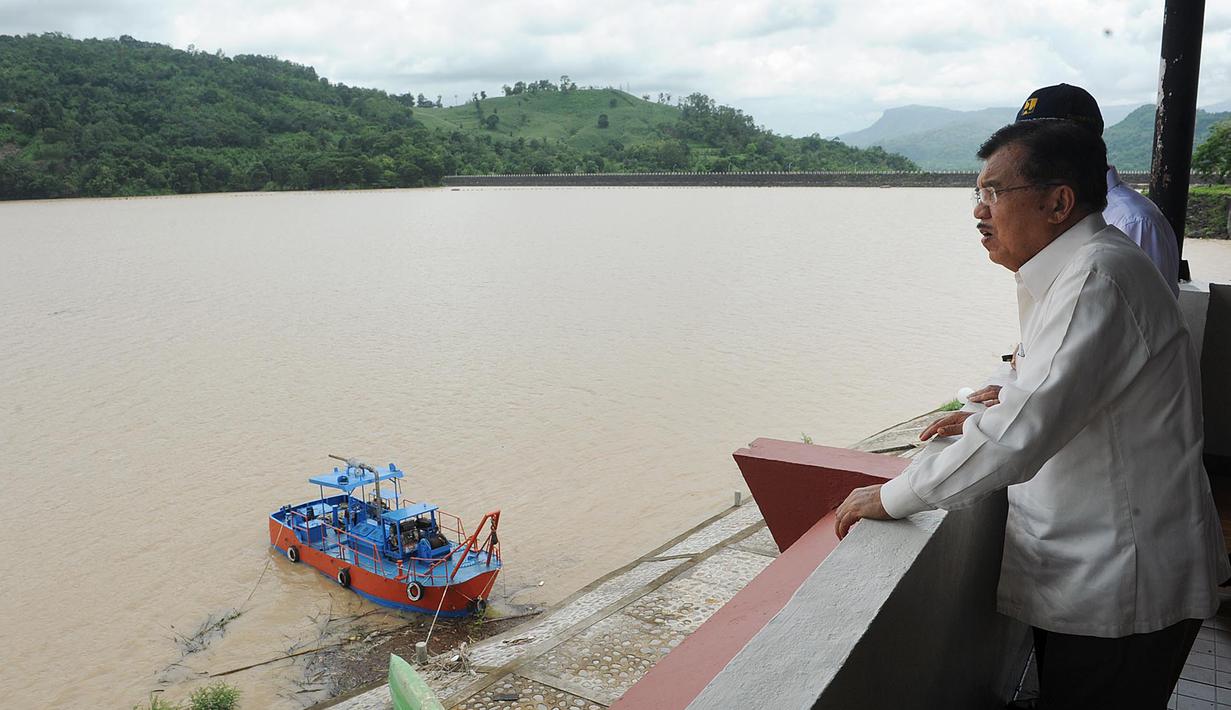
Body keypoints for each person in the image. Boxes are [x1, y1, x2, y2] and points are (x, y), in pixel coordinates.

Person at [833, 119, 1227, 709]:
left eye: (994, 192)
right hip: (1100, 571)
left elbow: (1020, 433)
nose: (979, 211)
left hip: (1121, 582)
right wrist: (998, 400)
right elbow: (1052, 389)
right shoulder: (1080, 270)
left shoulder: (1096, 279)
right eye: (978, 194)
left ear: (1058, 202)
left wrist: (895, 496)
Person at [1015, 82, 1180, 297]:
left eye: (1035, 144)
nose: (1024, 156)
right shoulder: (1064, 212)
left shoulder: (1133, 222)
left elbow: (1143, 307)